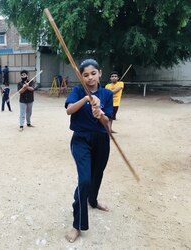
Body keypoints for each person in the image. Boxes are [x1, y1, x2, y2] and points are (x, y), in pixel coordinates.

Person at [64, 59, 113, 243]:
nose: (90, 78)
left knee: (97, 174)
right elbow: (69, 110)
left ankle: (93, 200)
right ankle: (78, 224)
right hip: (81, 139)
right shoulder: (77, 91)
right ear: (81, 77)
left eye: (93, 73)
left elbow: (107, 122)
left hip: (101, 140)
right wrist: (86, 99)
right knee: (84, 179)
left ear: (100, 73)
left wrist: (99, 113)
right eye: (85, 75)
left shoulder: (107, 94)